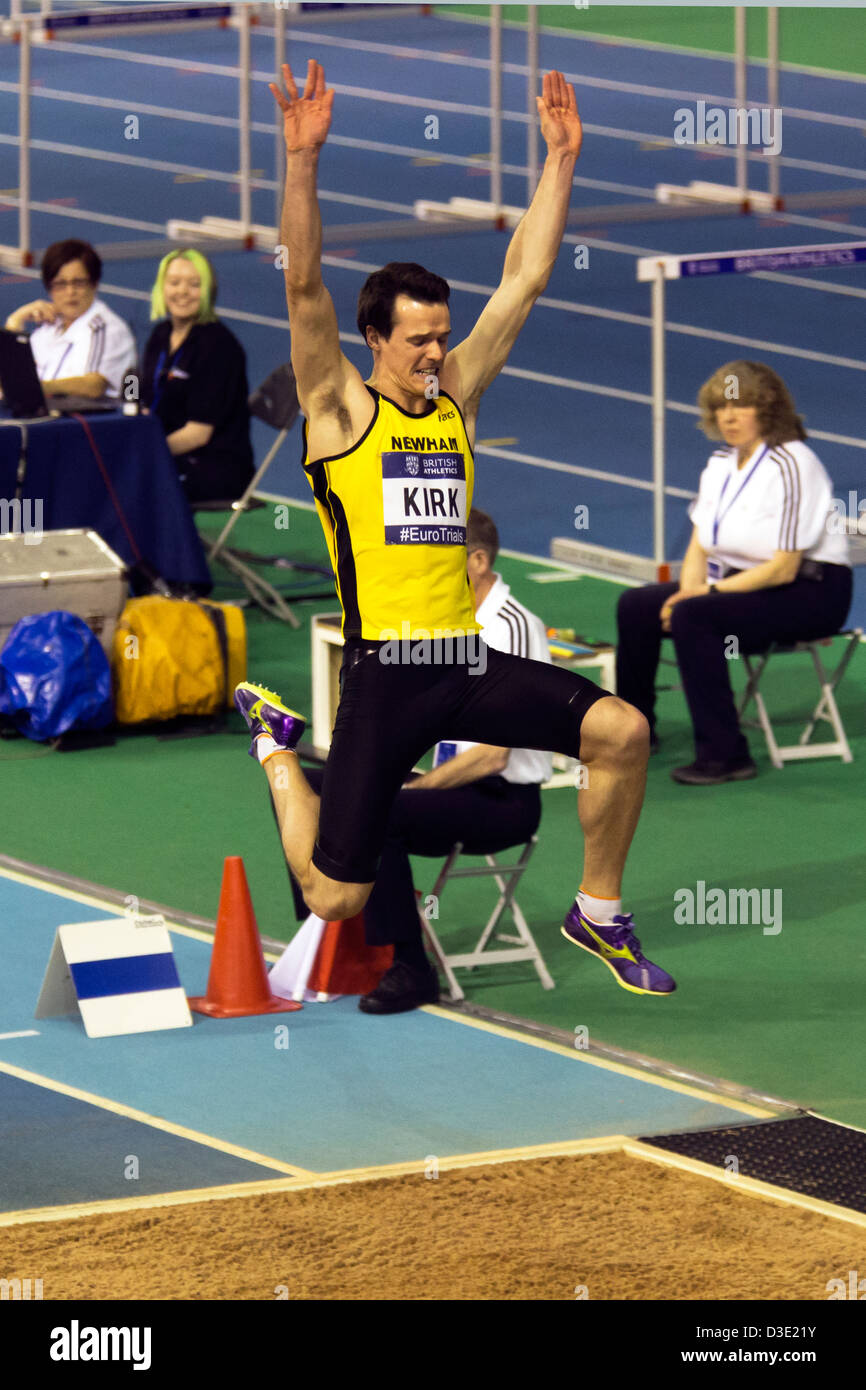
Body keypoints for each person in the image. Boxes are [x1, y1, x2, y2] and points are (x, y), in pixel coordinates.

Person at [235, 60, 675, 998]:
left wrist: (559, 164)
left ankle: (598, 913)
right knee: (334, 897)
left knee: (623, 730)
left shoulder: (455, 401)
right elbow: (304, 284)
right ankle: (278, 752)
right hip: (386, 677)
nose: (438, 350)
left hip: (465, 665)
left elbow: (525, 278)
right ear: (375, 342)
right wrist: (302, 161)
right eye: (420, 338)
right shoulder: (339, 413)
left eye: (443, 333)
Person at [289, 508, 555, 1014]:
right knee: (315, 786)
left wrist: (414, 788)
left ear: (476, 560)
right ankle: (326, 933)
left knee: (379, 813)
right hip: (444, 783)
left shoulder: (513, 627)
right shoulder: (441, 623)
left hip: (500, 802)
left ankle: (411, 968)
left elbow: (495, 755)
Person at [616, 360, 852, 785]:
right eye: (721, 407)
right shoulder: (721, 463)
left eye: (740, 405)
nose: (728, 416)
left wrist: (702, 595)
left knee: (696, 617)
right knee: (637, 605)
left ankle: (726, 754)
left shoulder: (793, 463)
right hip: (742, 585)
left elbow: (783, 569)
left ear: (767, 410)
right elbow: (699, 543)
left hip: (810, 593)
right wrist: (688, 591)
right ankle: (634, 731)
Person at [141, 249, 254, 505]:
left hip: (214, 464)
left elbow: (198, 433)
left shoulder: (219, 347)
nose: (182, 291)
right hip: (170, 452)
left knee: (130, 477)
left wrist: (144, 451)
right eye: (174, 283)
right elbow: (147, 403)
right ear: (161, 288)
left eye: (194, 284)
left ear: (208, 291)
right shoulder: (160, 334)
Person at [3, 238, 135, 399]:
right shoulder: (48, 328)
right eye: (60, 284)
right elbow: (9, 380)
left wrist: (34, 387)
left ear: (94, 284)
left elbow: (93, 386)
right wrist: (15, 321)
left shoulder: (106, 328)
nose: (70, 292)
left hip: (85, 422)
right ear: (49, 288)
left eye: (78, 283)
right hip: (41, 417)